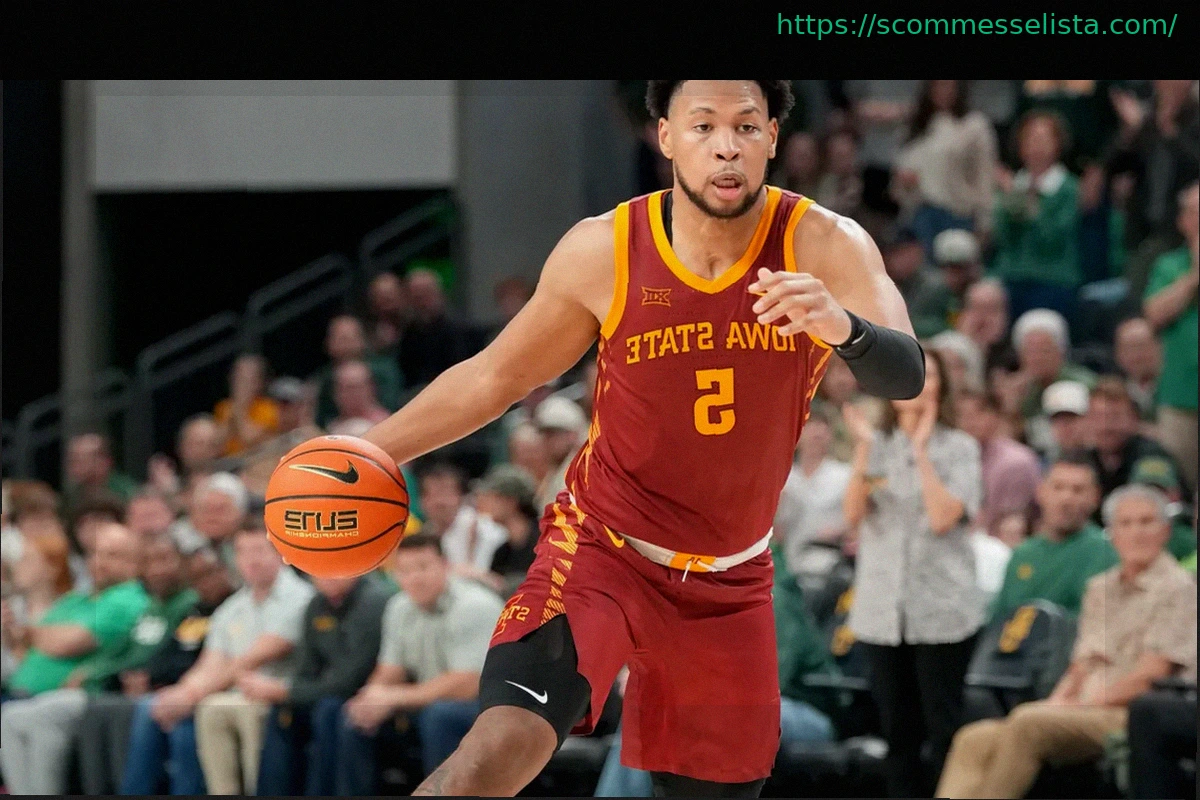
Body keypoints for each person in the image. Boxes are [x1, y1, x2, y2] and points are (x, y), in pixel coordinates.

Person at [353, 81, 925, 797]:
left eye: (747, 127)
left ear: (774, 138)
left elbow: (907, 372)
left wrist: (843, 327)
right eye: (704, 126)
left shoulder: (822, 242)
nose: (726, 146)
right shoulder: (606, 248)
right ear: (666, 136)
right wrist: (374, 450)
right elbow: (496, 377)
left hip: (730, 580)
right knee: (496, 753)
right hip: (602, 551)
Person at [936, 484, 1197, 798]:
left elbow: (1151, 675)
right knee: (974, 738)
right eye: (1126, 524)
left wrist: (1081, 706)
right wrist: (1057, 702)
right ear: (1112, 534)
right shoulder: (1099, 588)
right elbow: (1080, 665)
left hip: (1132, 715)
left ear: (1165, 531)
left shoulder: (1179, 589)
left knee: (1029, 723)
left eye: (1146, 522)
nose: (1136, 533)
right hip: (1080, 708)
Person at [842, 348, 983, 797]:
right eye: (911, 376)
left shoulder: (960, 447)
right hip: (882, 611)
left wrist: (921, 452)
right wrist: (864, 449)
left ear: (942, 388)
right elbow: (852, 515)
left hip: (942, 609)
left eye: (930, 377)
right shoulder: (876, 444)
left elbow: (943, 518)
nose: (919, 386)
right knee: (897, 732)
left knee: (943, 729)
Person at [335, 533, 505, 794]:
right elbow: (390, 670)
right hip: (428, 702)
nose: (414, 578)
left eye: (423, 567)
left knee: (440, 716)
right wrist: (371, 698)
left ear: (445, 565)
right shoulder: (399, 607)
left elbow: (467, 684)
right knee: (353, 717)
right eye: (404, 571)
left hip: (488, 707)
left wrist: (394, 697)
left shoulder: (474, 606)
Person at [0, 523, 148, 795]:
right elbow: (30, 650)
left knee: (27, 719)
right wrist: (10, 632)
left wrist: (26, 633)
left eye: (113, 555)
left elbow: (66, 643)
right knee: (13, 718)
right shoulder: (76, 600)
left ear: (135, 563)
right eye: (96, 553)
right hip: (23, 692)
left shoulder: (127, 598)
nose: (100, 562)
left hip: (82, 694)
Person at [75, 549, 237, 796]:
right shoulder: (196, 613)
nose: (205, 583)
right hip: (183, 689)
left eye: (210, 574)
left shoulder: (230, 609)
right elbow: (169, 654)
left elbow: (221, 663)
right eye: (197, 578)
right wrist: (150, 677)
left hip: (216, 692)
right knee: (114, 708)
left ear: (225, 571)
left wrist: (183, 691)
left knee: (155, 713)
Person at [251, 574, 395, 796]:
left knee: (329, 710)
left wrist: (288, 691)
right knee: (283, 712)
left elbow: (350, 679)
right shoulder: (317, 604)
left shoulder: (373, 602)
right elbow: (305, 669)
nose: (327, 576)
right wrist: (288, 692)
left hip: (366, 694)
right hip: (328, 693)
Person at [987, 453, 1117, 624]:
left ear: (1095, 497)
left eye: (1077, 490)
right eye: (1058, 487)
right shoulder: (1022, 554)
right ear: (1040, 491)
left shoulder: (1106, 553)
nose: (1066, 498)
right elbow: (998, 617)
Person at [891, 80, 998, 258]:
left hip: (958, 216)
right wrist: (905, 183)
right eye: (938, 85)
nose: (944, 91)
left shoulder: (974, 125)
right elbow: (899, 179)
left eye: (949, 85)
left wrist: (985, 222)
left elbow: (984, 176)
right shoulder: (914, 126)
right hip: (919, 217)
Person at [1143, 180, 1199, 493]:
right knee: (1179, 484)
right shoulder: (1169, 266)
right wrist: (1194, 277)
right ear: (1182, 221)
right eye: (1195, 213)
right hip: (1179, 394)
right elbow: (1154, 314)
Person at [212, 353, 280, 456]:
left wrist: (239, 407)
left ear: (259, 383)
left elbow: (248, 438)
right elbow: (217, 444)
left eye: (247, 380)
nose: (240, 385)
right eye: (237, 378)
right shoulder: (223, 407)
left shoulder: (269, 408)